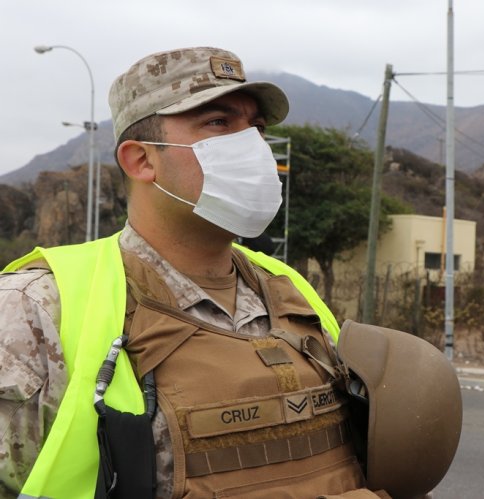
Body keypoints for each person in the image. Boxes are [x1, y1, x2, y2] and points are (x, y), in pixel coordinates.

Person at [0, 47, 460, 499]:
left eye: (256, 127)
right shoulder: (35, 307)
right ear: (142, 160)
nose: (252, 146)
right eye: (219, 123)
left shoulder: (290, 289)